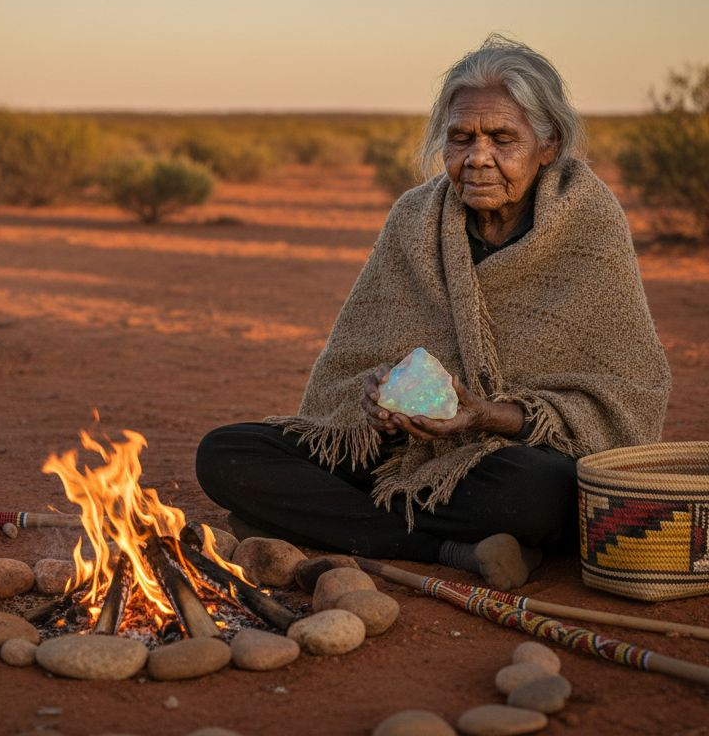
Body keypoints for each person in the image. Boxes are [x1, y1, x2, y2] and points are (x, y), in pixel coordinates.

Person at [195, 35, 671, 590]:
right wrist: (372, 399)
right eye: (461, 137)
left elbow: (623, 394)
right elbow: (356, 356)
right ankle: (449, 550)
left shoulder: (588, 223)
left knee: (541, 494)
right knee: (226, 454)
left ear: (549, 143)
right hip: (404, 454)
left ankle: (320, 521)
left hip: (507, 463)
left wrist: (482, 415)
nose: (478, 157)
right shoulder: (413, 219)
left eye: (502, 139)